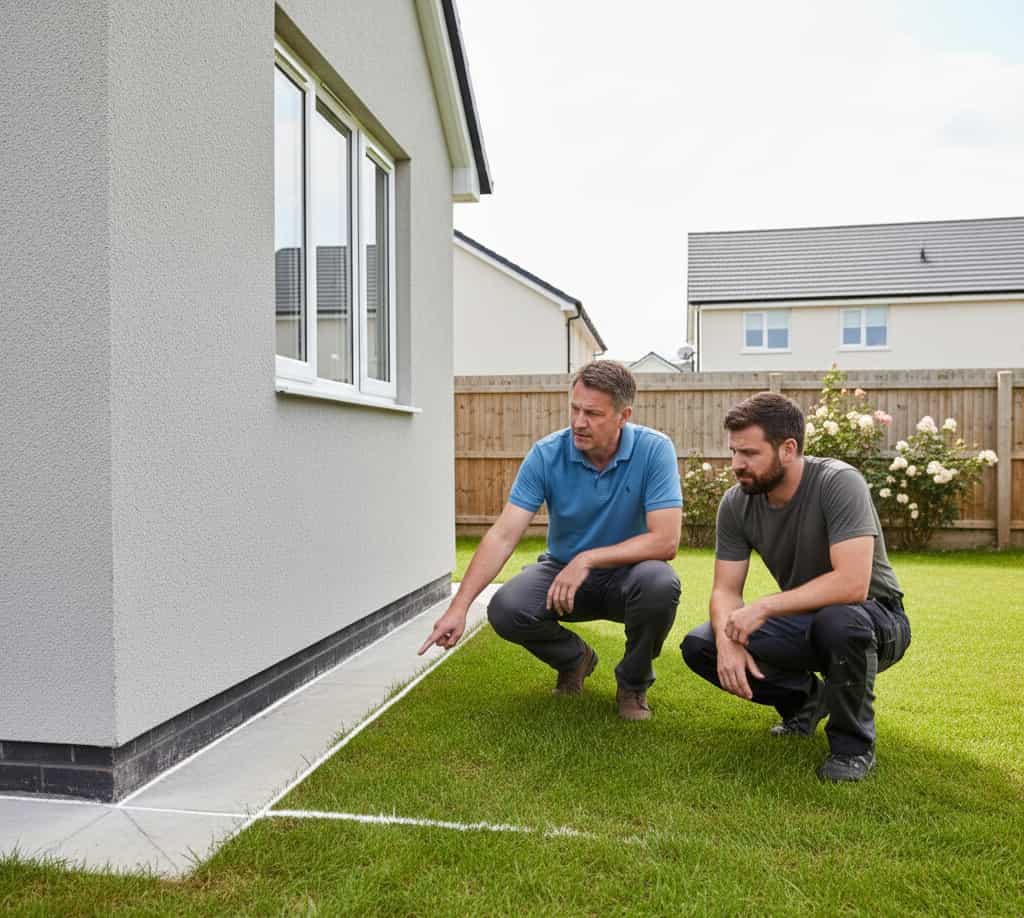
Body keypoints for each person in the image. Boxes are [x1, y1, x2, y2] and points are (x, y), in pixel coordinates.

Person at [419, 361, 682, 721]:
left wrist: (586, 559)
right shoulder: (547, 453)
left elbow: (666, 541)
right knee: (506, 607)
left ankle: (633, 685)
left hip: (629, 577)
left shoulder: (654, 450)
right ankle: (575, 659)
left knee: (660, 583)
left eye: (592, 413)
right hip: (562, 577)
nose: (578, 422)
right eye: (574, 409)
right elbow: (503, 534)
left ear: (624, 416)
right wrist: (460, 606)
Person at [680, 392, 911, 782]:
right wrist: (727, 640)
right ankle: (806, 702)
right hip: (807, 620)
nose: (737, 464)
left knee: (840, 621)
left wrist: (765, 606)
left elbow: (853, 583)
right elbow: (725, 590)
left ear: (788, 449)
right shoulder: (737, 504)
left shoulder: (838, 482)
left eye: (749, 453)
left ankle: (853, 748)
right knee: (702, 643)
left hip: (877, 620)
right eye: (734, 452)